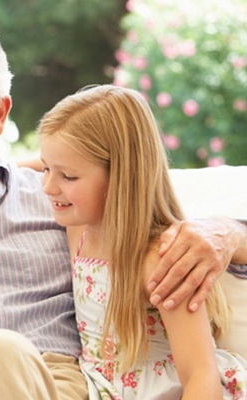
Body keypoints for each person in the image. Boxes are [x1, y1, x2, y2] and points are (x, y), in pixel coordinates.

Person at [0, 15, 247, 400]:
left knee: (3, 355)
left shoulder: (62, 203)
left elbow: (134, 195)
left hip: (57, 383)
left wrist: (230, 232)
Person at [38, 84, 247, 399]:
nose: (48, 187)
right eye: (45, 168)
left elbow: (201, 376)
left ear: (120, 178)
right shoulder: (79, 230)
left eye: (67, 176)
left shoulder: (158, 263)